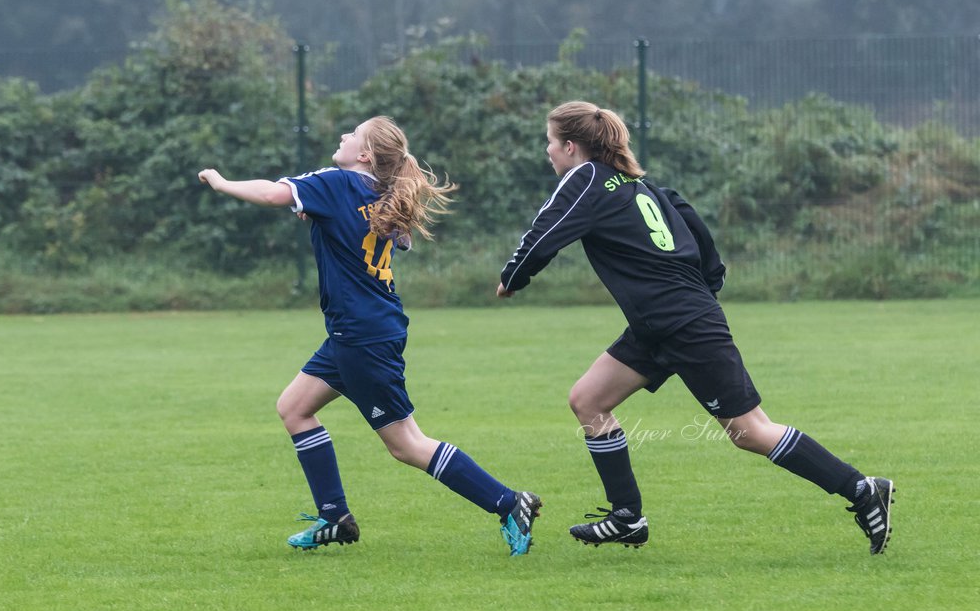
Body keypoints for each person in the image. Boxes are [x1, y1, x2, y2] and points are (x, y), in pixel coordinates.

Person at [496, 100, 895, 554]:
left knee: (750, 431)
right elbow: (698, 234)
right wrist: (704, 287)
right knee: (588, 400)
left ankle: (862, 490)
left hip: (681, 322)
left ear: (570, 146)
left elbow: (548, 231)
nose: (548, 151)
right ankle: (626, 516)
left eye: (550, 142)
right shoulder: (643, 186)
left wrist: (513, 278)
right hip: (663, 323)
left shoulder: (585, 178)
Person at [199, 115, 541, 555]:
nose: (342, 135)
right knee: (295, 408)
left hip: (362, 336)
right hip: (359, 331)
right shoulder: (376, 191)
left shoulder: (338, 181)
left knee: (406, 444)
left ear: (364, 155)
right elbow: (396, 240)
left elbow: (271, 192)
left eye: (352, 134)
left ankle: (509, 502)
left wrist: (222, 181)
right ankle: (335, 517)